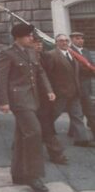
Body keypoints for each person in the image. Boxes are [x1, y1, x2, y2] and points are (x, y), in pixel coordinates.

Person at [0, 24, 55, 192]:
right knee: (34, 133)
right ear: (19, 37)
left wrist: (49, 90)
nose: (32, 38)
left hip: (33, 99)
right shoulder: (8, 53)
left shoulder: (32, 51)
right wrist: (3, 101)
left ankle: (18, 174)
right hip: (19, 100)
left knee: (22, 136)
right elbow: (1, 79)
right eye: (29, 36)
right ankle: (33, 176)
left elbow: (40, 72)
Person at [46, 34, 95, 147]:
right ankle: (40, 133)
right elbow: (48, 74)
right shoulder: (51, 55)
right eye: (61, 41)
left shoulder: (72, 54)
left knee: (77, 116)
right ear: (56, 42)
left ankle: (81, 140)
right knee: (53, 115)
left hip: (75, 91)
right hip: (60, 92)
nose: (64, 42)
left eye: (66, 40)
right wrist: (51, 90)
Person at [32, 35, 68, 165]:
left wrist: (53, 92)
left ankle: (55, 153)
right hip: (31, 98)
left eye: (40, 43)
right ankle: (56, 153)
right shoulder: (27, 58)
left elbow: (52, 75)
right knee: (37, 125)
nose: (39, 46)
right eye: (36, 43)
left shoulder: (46, 57)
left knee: (45, 124)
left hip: (46, 97)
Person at [69, 32, 95, 138]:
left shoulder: (86, 51)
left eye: (82, 38)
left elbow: (91, 64)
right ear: (72, 40)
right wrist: (90, 70)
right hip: (75, 85)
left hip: (86, 85)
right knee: (88, 110)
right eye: (78, 38)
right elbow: (76, 68)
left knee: (78, 110)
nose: (81, 40)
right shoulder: (69, 51)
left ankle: (72, 131)